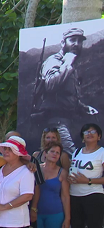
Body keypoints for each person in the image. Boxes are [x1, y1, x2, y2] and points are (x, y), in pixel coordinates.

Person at [35, 28, 98, 156]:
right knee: (73, 156)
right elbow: (51, 85)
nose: (76, 44)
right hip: (54, 121)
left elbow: (67, 95)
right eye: (72, 40)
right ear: (63, 43)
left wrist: (84, 107)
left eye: (79, 41)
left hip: (68, 119)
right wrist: (67, 63)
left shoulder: (71, 64)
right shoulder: (55, 61)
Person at [62, 123, 104, 228]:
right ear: (82, 136)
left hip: (93, 196)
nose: (90, 133)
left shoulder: (101, 153)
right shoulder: (77, 152)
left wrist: (89, 180)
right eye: (87, 131)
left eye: (94, 132)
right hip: (75, 196)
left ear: (99, 136)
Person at [26, 142, 70, 228]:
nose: (55, 154)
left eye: (58, 153)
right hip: (36, 213)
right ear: (45, 153)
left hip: (55, 213)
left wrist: (67, 218)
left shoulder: (62, 172)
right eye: (52, 151)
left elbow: (65, 196)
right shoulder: (35, 169)